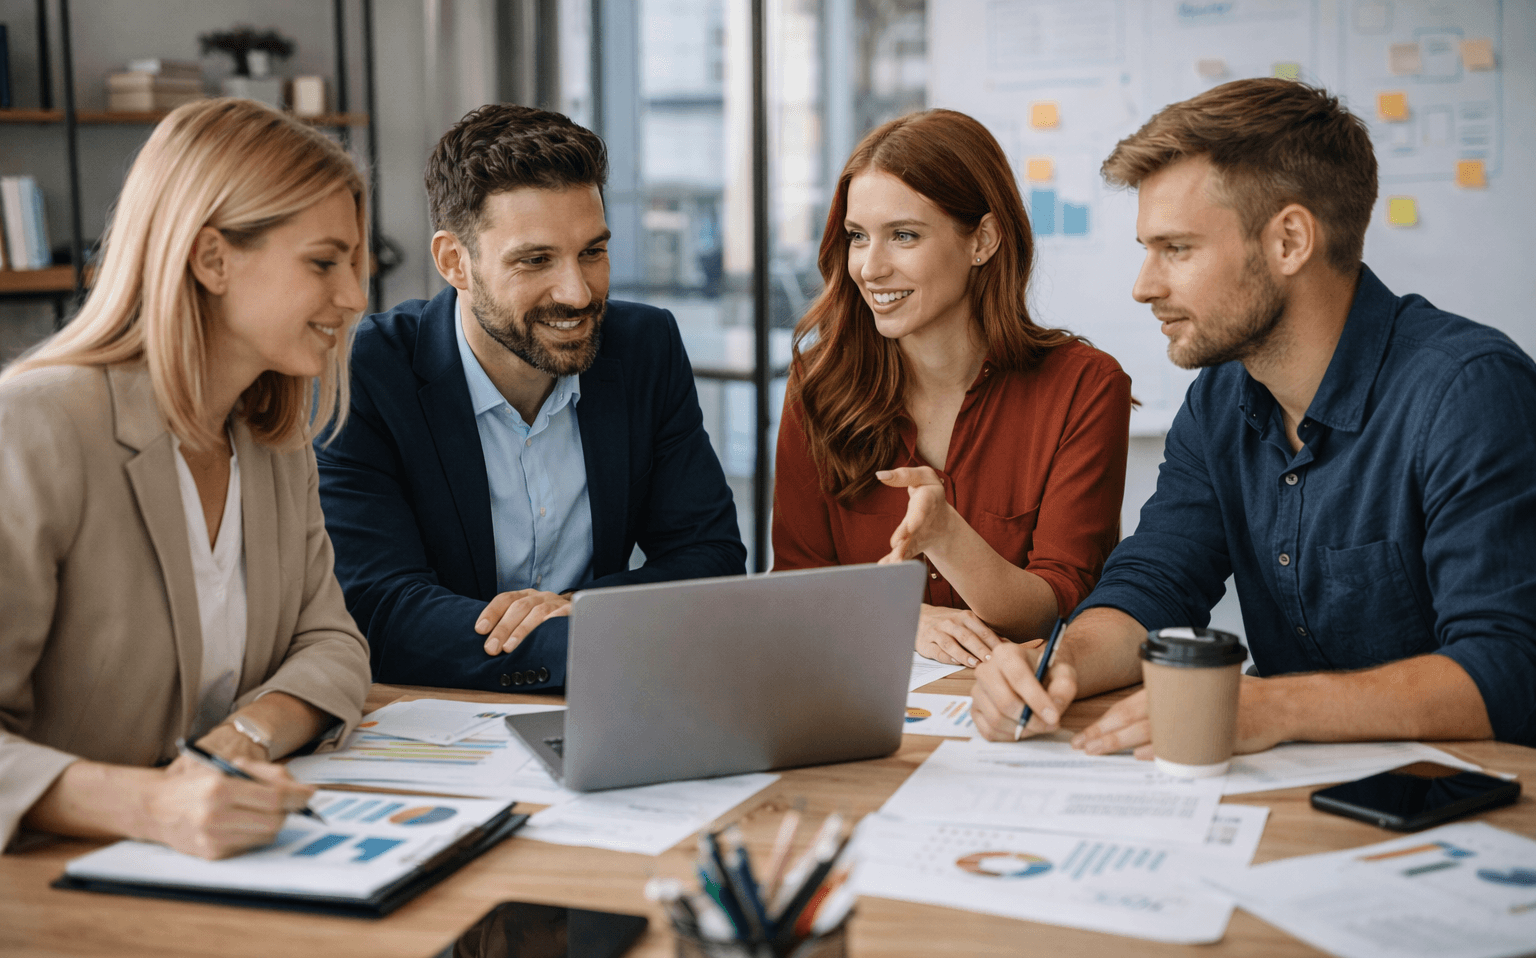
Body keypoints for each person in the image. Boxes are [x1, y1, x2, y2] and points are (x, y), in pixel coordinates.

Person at [971, 78, 1536, 749]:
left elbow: (1508, 669)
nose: (1144, 286)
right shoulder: (1219, 399)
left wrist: (1272, 708)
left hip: (1466, 809)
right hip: (1294, 798)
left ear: (1290, 241)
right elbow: (1156, 582)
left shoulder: (1468, 394)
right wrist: (1059, 664)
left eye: (1176, 249)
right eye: (1146, 250)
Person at [0, 99, 374, 857]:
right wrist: (152, 805)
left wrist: (247, 736)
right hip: (52, 897)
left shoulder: (273, 442)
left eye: (356, 264)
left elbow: (332, 642)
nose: (355, 297)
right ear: (211, 259)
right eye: (324, 262)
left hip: (224, 870)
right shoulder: (35, 427)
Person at [317, 105, 745, 694]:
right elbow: (382, 612)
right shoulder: (365, 374)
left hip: (614, 702)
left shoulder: (644, 347)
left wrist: (578, 607)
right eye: (535, 260)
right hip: (436, 713)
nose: (577, 292)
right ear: (454, 262)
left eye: (592, 252)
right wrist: (590, 635)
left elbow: (710, 558)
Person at [773, 109, 1132, 667]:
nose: (869, 267)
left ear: (983, 240)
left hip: (1017, 707)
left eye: (904, 236)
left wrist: (948, 537)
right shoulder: (819, 386)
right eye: (857, 237)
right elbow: (796, 585)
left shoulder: (1085, 388)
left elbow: (1061, 602)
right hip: (866, 704)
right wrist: (901, 616)